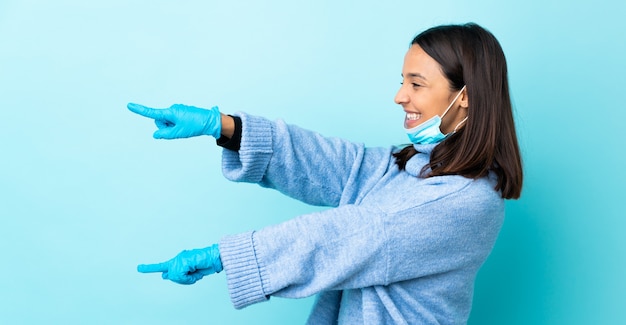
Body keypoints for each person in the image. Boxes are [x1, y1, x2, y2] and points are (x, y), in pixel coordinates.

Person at [128, 22, 523, 325]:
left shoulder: (464, 202)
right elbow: (335, 163)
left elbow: (349, 236)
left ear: (466, 95)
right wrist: (224, 126)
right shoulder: (414, 166)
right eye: (402, 82)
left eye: (416, 84)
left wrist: (224, 257)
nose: (400, 96)